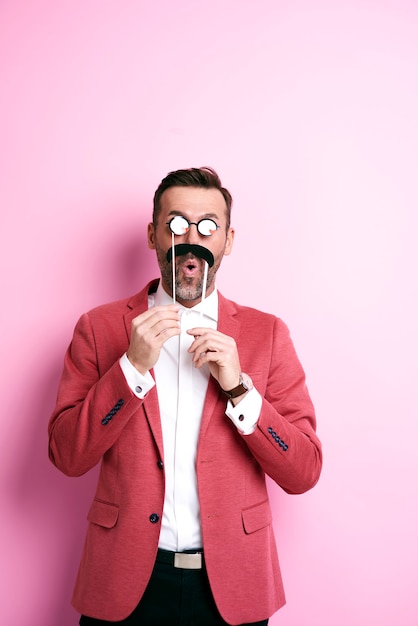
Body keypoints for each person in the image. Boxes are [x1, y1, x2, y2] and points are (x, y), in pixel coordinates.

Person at [48, 166, 322, 626]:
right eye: (177, 224)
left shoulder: (268, 334)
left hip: (232, 586)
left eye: (207, 226)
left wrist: (239, 389)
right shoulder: (98, 328)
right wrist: (130, 368)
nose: (191, 238)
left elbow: (304, 471)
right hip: (123, 583)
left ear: (227, 240)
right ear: (154, 234)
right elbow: (66, 455)